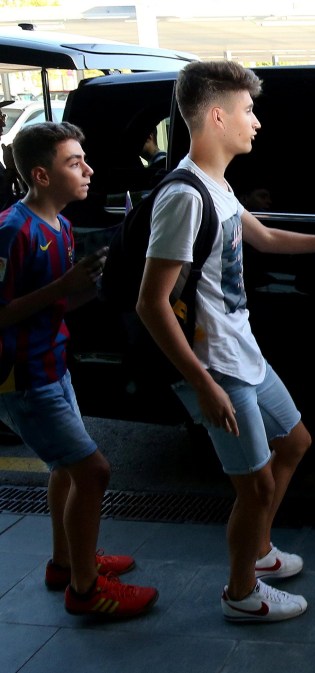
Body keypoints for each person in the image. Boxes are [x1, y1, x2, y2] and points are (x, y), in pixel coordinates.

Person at [136, 60, 315, 622]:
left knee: (294, 442)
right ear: (218, 115)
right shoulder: (184, 196)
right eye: (248, 111)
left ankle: (260, 550)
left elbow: (266, 236)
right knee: (252, 488)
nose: (257, 122)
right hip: (215, 366)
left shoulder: (217, 185)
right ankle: (241, 592)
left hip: (241, 352)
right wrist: (203, 385)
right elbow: (151, 303)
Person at [0, 121, 158, 618]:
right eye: (74, 162)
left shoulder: (63, 226)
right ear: (42, 176)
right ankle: (87, 591)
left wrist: (104, 283)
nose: (88, 169)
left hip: (53, 364)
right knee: (92, 472)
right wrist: (64, 284)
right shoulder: (12, 230)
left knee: (66, 471)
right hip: (23, 377)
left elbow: (59, 304)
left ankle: (67, 563)